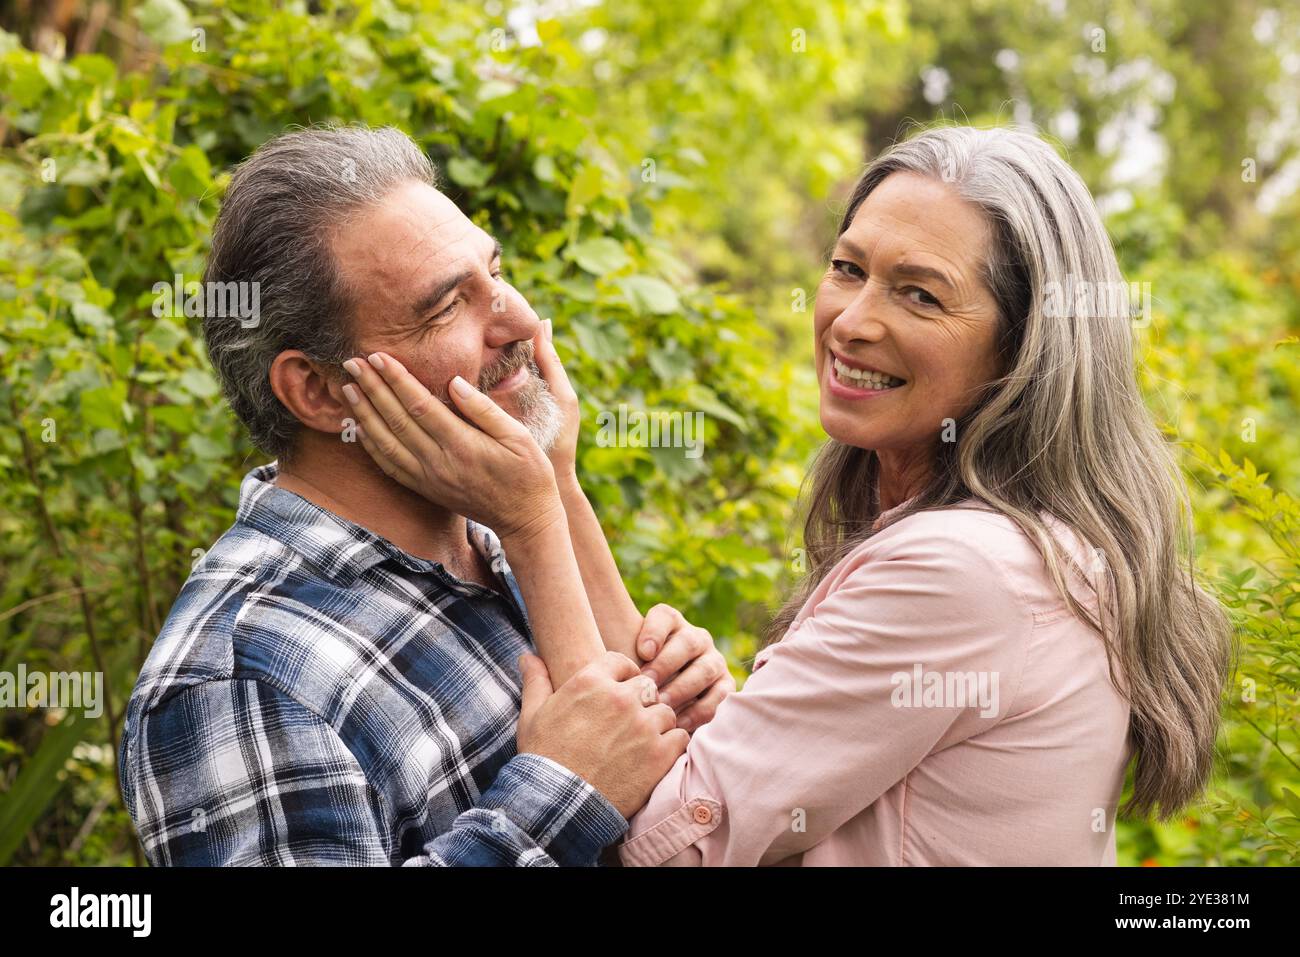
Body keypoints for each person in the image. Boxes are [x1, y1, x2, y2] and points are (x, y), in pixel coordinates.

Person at [347, 125, 1234, 866]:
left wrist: (532, 519)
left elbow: (651, 842)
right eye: (849, 269)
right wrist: (563, 484)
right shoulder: (1006, 544)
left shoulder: (964, 571)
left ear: (1022, 350)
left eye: (920, 294)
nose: (852, 320)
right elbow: (764, 802)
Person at [118, 125, 732, 866]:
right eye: (446, 307)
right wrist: (557, 795)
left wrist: (682, 711)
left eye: (495, 273)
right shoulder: (239, 676)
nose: (519, 321)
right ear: (318, 390)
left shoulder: (494, 532)